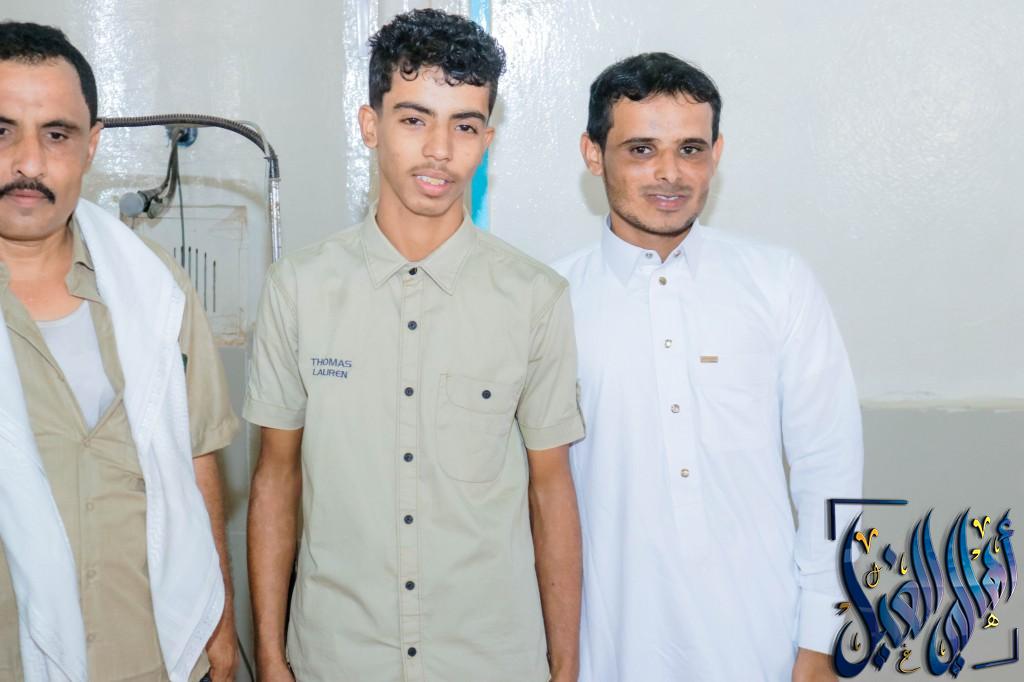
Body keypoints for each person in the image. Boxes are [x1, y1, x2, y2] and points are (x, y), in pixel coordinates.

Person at [244, 9, 584, 682]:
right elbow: (275, 478)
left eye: (464, 126)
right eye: (413, 119)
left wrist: (565, 668)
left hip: (489, 661)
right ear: (370, 126)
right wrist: (273, 657)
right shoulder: (298, 289)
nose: (439, 150)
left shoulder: (535, 298)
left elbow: (552, 491)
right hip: (338, 659)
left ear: (487, 139)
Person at [553, 52, 863, 682]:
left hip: (765, 648)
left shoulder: (778, 283)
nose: (670, 173)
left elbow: (830, 473)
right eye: (641, 149)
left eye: (690, 149)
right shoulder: (550, 302)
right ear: (593, 154)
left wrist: (823, 639)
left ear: (716, 155)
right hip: (609, 651)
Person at [0, 22, 238, 682]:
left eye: (56, 134)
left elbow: (196, 465)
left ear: (92, 145)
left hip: (156, 657)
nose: (28, 163)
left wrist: (221, 628)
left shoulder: (156, 291)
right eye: (1, 131)